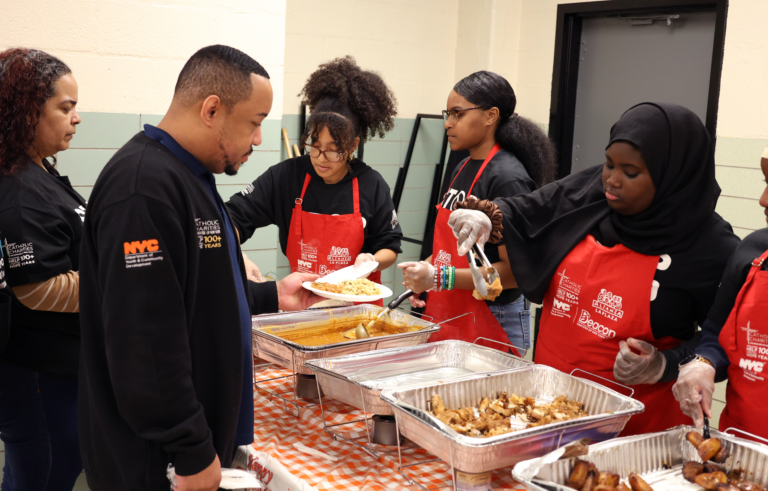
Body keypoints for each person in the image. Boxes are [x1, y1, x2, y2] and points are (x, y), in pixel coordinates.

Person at [78, 45, 321, 491]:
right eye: (255, 122)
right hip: (153, 460)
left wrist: (271, 297)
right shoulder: (143, 189)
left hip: (190, 444)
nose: (259, 139)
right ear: (212, 109)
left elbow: (198, 294)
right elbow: (145, 343)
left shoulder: (194, 177)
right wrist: (189, 446)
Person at [420, 103, 739, 436]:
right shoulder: (590, 195)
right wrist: (489, 215)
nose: (612, 180)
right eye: (609, 164)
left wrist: (664, 365)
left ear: (672, 176)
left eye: (631, 172)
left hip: (638, 427)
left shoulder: (710, 247)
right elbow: (531, 207)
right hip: (547, 410)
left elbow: (722, 340)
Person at [398, 71, 557, 353]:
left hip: (493, 319)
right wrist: (422, 273)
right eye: (448, 113)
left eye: (458, 113)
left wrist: (438, 277)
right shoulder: (463, 167)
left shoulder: (507, 177)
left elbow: (513, 273)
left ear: (490, 116)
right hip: (452, 310)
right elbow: (450, 247)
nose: (448, 123)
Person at [227, 56, 401, 293]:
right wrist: (236, 252)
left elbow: (390, 246)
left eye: (333, 149)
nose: (320, 157)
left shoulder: (372, 184)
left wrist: (372, 260)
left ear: (352, 145)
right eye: (315, 145)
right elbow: (232, 217)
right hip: (301, 300)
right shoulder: (287, 176)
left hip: (358, 305)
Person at [0, 48, 84, 491]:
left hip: (56, 371)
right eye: (65, 108)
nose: (76, 119)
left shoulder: (39, 172)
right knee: (45, 475)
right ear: (29, 110)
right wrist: (124, 282)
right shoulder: (17, 188)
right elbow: (36, 288)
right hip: (37, 374)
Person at [672, 148, 768, 440]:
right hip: (740, 451)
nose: (763, 199)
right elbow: (717, 332)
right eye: (765, 181)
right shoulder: (753, 251)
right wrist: (704, 363)